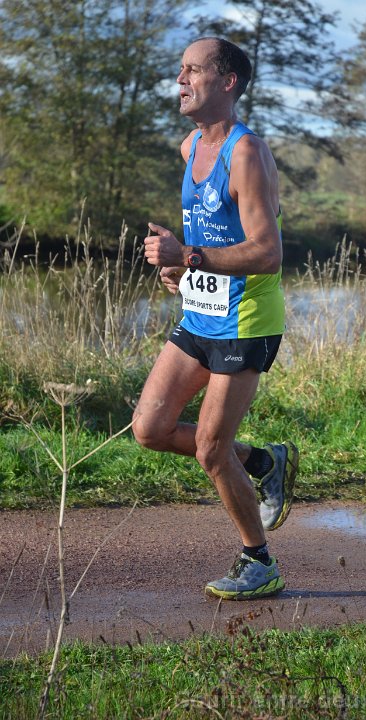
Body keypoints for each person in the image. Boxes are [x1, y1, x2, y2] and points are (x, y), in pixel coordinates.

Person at [133, 36, 298, 600]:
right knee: (150, 429)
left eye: (193, 70)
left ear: (227, 82)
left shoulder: (246, 153)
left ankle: (259, 562)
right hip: (201, 314)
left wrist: (190, 256)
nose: (181, 80)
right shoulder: (189, 147)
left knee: (209, 448)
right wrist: (179, 268)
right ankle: (263, 461)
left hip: (246, 319)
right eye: (180, 70)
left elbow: (268, 252)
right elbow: (208, 233)